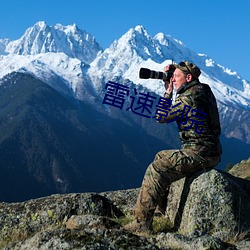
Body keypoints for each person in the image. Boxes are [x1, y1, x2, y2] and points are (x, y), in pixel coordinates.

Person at [124, 61, 222, 233]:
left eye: (177, 77)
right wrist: (175, 72)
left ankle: (141, 224)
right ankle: (162, 210)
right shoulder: (202, 89)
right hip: (208, 151)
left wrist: (168, 92)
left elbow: (161, 117)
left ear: (189, 78)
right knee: (161, 156)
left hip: (200, 153)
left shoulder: (188, 97)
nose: (173, 79)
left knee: (157, 168)